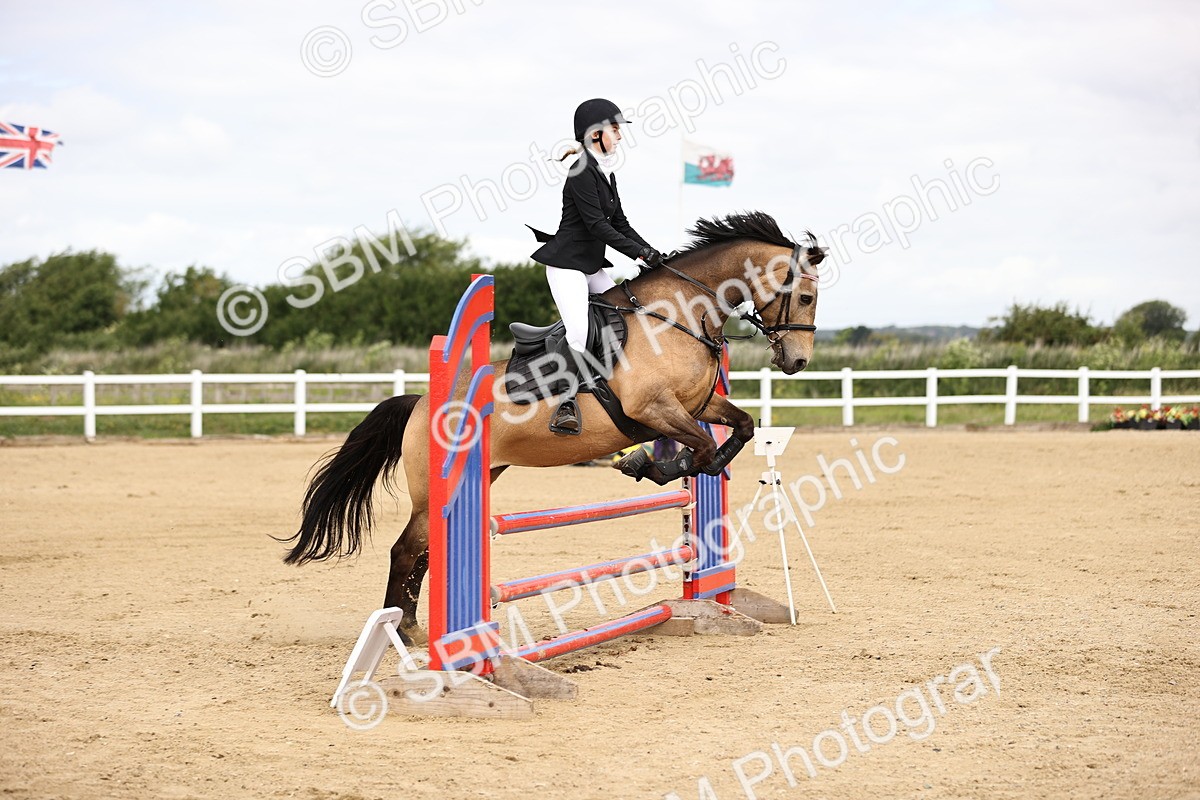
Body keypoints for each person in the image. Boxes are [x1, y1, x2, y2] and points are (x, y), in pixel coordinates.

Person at [529, 98, 664, 435]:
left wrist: (652, 252)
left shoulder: (605, 174)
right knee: (579, 331)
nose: (619, 137)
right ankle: (565, 403)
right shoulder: (579, 173)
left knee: (630, 315)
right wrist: (637, 256)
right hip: (566, 267)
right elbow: (597, 227)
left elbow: (620, 222)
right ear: (594, 134)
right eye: (614, 130)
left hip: (588, 267)